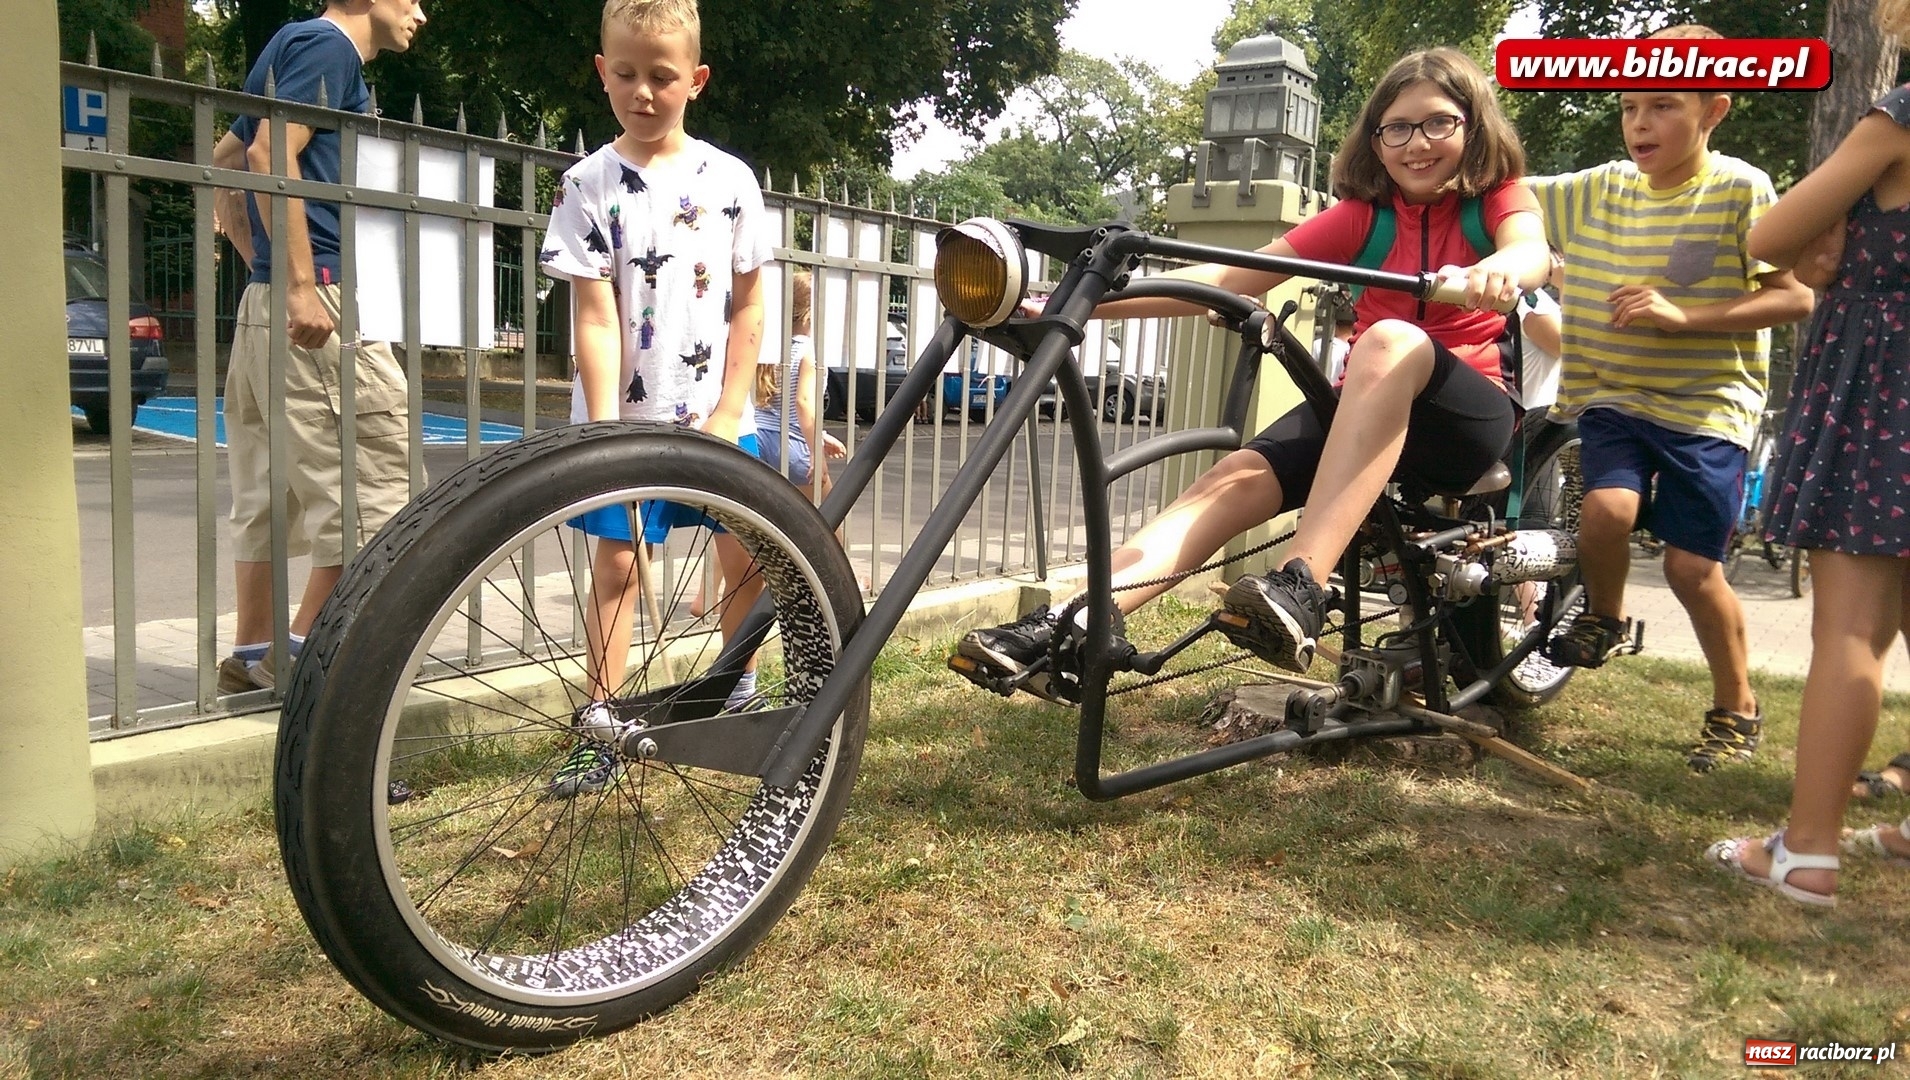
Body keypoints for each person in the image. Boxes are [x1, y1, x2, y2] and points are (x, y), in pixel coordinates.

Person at [954, 47, 1550, 699]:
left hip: (1464, 419)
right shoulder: (1363, 220)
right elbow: (1224, 277)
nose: (1416, 143)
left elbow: (1530, 250)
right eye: (1397, 128)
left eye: (1438, 123)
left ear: (1473, 127)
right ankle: (1072, 623)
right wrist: (1071, 305)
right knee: (1235, 475)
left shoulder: (1497, 200)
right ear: (1375, 140)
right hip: (1367, 407)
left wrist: (1498, 271)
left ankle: (1302, 585)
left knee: (1386, 341)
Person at [1529, 23, 1814, 773]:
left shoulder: (1742, 188)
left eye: (1663, 105)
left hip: (1707, 410)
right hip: (1615, 397)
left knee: (1691, 570)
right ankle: (1606, 618)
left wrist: (1684, 316)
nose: (1640, 123)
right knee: (1605, 512)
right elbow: (1506, 193)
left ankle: (1736, 707)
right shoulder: (1600, 188)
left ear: (1714, 110)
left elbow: (1793, 298)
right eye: (1629, 107)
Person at [535, 0, 772, 797]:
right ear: (602, 72)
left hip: (717, 419)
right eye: (627, 73)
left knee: (743, 554)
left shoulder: (731, 181)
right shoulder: (585, 184)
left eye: (662, 76)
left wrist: (731, 410)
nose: (643, 92)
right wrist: (607, 435)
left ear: (695, 80)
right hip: (623, 422)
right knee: (618, 568)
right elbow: (594, 316)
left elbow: (749, 302)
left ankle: (738, 690)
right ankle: (600, 722)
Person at [1707, 1, 1910, 903]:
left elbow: (1769, 237)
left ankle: (1809, 850)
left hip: (1888, 391)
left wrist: (1840, 245)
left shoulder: (1895, 121)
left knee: (1853, 625)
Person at [210, 0, 430, 694]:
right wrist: (301, 281)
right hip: (321, 298)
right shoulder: (330, 48)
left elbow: (227, 157)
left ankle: (252, 652)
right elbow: (268, 154)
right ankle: (301, 656)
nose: (420, 14)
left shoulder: (293, 41)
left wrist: (263, 261)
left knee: (270, 488)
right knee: (381, 489)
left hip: (267, 303)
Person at [756, 269, 847, 502]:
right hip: (791, 447)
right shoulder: (810, 351)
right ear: (812, 312)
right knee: (828, 518)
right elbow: (803, 402)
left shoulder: (771, 348)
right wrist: (816, 451)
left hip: (759, 439)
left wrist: (821, 435)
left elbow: (778, 405)